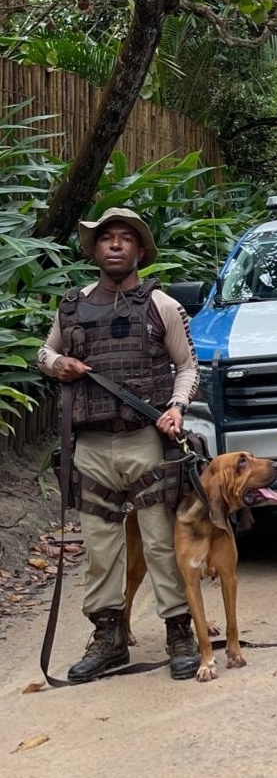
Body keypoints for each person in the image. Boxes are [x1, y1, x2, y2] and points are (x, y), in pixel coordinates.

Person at [36, 207, 202, 682]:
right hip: (89, 445)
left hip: (145, 441)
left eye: (124, 238)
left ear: (140, 251)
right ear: (95, 249)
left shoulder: (162, 305)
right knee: (100, 547)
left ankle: (179, 633)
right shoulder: (70, 306)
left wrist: (175, 407)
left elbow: (188, 366)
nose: (114, 244)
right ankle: (109, 638)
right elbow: (45, 352)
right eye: (106, 237)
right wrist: (58, 365)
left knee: (160, 542)